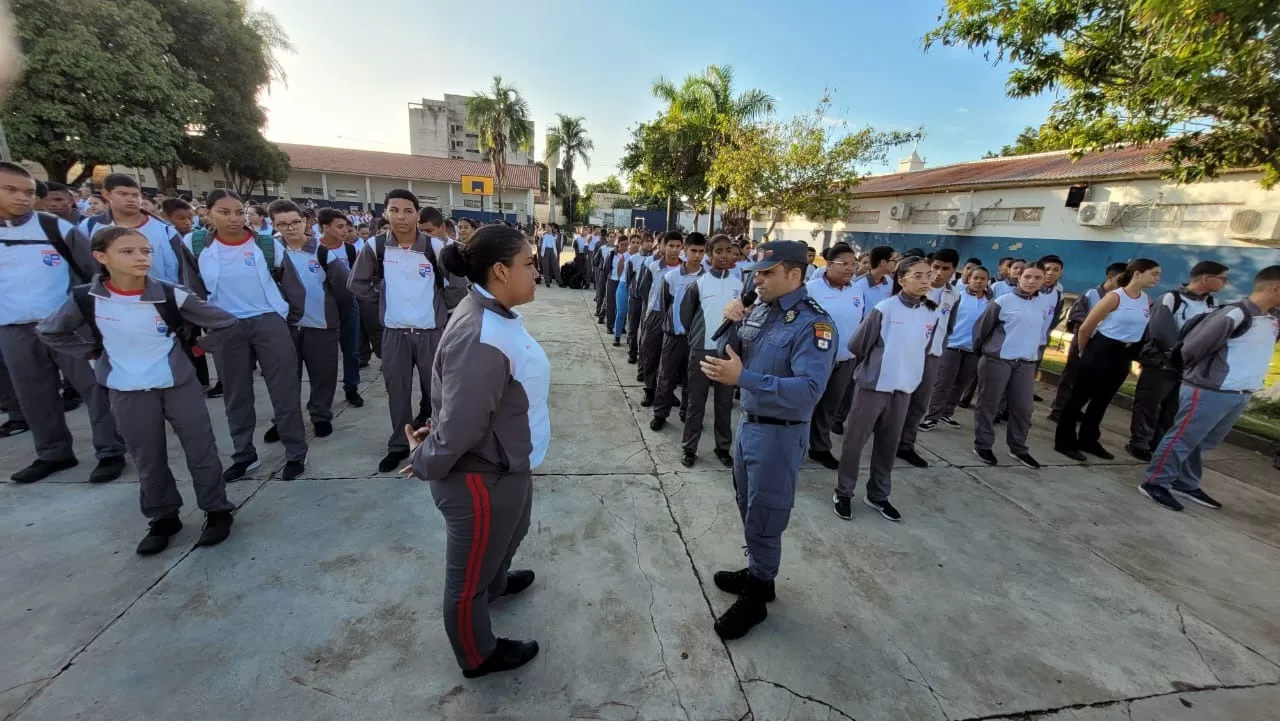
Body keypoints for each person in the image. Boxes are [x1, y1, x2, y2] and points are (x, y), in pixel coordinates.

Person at [37, 226, 239, 554]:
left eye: (145, 251)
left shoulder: (171, 293)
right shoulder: (85, 299)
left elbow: (225, 322)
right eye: (128, 251)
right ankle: (162, 517)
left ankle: (216, 510)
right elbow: (50, 332)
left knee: (201, 450)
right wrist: (91, 351)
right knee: (148, 456)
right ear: (101, 257)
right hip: (126, 389)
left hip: (177, 385)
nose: (140, 258)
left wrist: (200, 349)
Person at [406, 224, 549, 679]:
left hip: (509, 463)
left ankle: (498, 582)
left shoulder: (498, 312)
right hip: (481, 478)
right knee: (467, 581)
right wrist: (424, 459)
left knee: (513, 532)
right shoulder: (482, 333)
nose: (537, 271)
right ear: (501, 271)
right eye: (529, 263)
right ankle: (478, 654)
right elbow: (462, 424)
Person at [701, 240, 835, 640]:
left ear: (794, 274)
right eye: (758, 271)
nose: (757, 279)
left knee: (766, 513)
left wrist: (743, 379)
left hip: (780, 434)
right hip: (751, 424)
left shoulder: (814, 325)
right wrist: (733, 319)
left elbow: (809, 389)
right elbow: (731, 353)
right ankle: (761, 572)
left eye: (767, 272)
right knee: (748, 503)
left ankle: (758, 596)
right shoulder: (759, 308)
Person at [0, 162, 127, 483]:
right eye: (11, 190)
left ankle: (110, 450)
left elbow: (96, 274)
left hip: (69, 325)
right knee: (33, 393)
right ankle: (53, 452)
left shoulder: (55, 229)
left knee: (94, 387)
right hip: (13, 329)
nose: (22, 198)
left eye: (28, 192)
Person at [185, 189, 308, 482]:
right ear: (208, 213)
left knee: (285, 391)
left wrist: (287, 319)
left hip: (268, 321)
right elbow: (192, 288)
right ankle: (244, 454)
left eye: (239, 212)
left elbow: (293, 287)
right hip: (225, 324)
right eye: (224, 212)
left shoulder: (266, 245)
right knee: (236, 393)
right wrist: (206, 323)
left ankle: (295, 452)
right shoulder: (195, 244)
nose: (233, 218)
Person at [1139, 266, 1280, 512]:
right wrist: (1203, 377)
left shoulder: (1271, 318)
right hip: (1209, 390)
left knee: (1204, 443)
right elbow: (1192, 349)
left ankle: (1185, 483)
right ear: (1275, 288)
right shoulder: (1234, 314)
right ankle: (1156, 482)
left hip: (1239, 393)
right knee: (1182, 438)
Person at [350, 194, 465, 473]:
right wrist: (384, 301)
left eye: (408, 211)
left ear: (417, 215)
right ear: (386, 214)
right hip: (395, 333)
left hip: (430, 333)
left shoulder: (436, 248)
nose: (401, 216)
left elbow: (458, 284)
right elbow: (357, 283)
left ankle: (438, 444)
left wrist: (443, 310)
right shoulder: (375, 247)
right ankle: (399, 445)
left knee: (437, 393)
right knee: (397, 392)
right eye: (394, 210)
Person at [833, 257, 941, 523]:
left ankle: (878, 494)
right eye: (918, 275)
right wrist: (876, 367)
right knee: (854, 444)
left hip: (903, 390)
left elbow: (923, 351)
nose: (926, 280)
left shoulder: (932, 312)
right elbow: (858, 344)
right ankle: (843, 492)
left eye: (928, 275)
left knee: (888, 445)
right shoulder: (885, 309)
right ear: (901, 279)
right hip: (873, 387)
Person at [1055, 259, 1162, 461]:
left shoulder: (1146, 299)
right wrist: (1085, 353)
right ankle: (1064, 441)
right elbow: (1086, 327)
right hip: (1101, 349)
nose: (1157, 278)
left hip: (1124, 354)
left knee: (1102, 400)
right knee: (1079, 398)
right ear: (1137, 273)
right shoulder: (1115, 297)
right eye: (1154, 273)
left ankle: (1088, 439)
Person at [1126, 261, 1229, 461]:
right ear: (1206, 278)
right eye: (1222, 279)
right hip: (1161, 363)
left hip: (1188, 369)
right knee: (1149, 404)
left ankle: (1158, 444)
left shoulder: (1212, 305)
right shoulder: (1171, 298)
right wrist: (1179, 355)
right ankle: (1139, 442)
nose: (1225, 284)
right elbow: (1160, 332)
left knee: (1173, 409)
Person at [267, 204, 355, 439]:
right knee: (285, 377)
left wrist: (337, 318)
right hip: (284, 328)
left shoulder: (322, 253)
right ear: (273, 225)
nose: (290, 228)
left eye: (295, 222)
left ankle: (320, 415)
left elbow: (344, 291)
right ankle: (284, 419)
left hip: (320, 326)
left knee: (323, 375)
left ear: (305, 222)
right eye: (282, 224)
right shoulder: (271, 253)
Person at [971, 262, 1056, 468]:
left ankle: (1018, 448)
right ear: (1019, 277)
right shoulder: (1003, 301)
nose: (1031, 281)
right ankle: (983, 444)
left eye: (1037, 277)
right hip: (998, 360)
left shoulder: (1044, 303)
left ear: (1043, 279)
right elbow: (982, 330)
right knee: (989, 405)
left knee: (1024, 407)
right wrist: (987, 352)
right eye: (1027, 277)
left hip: (1026, 362)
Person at [895, 249, 961, 467]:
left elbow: (948, 326)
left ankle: (906, 444)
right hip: (908, 351)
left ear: (954, 270)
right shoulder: (916, 289)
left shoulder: (953, 295)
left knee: (920, 403)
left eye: (946, 269)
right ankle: (887, 438)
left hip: (932, 355)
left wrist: (939, 347)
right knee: (896, 399)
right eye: (936, 267)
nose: (939, 273)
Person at [679, 234, 740, 468]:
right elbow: (686, 316)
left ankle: (723, 447)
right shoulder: (699, 283)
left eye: (729, 251)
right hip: (701, 351)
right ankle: (689, 448)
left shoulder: (738, 284)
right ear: (709, 254)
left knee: (724, 404)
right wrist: (696, 339)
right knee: (696, 402)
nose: (725, 256)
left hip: (727, 354)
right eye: (719, 251)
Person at [804, 242, 863, 469]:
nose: (850, 269)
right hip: (816, 359)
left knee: (830, 405)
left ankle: (820, 447)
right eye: (844, 264)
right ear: (829, 265)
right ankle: (796, 446)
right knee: (808, 403)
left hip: (845, 359)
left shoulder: (855, 290)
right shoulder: (812, 289)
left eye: (853, 264)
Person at [83, 174, 195, 287]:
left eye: (135, 195)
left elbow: (186, 272)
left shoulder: (166, 230)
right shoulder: (91, 226)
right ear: (106, 194)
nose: (131, 199)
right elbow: (86, 266)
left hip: (161, 298)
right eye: (123, 194)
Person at [1048, 262, 1127, 422]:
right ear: (1110, 276)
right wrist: (1095, 323)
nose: (1123, 283)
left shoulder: (1123, 298)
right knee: (1071, 376)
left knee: (1089, 380)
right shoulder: (1091, 294)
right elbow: (1076, 314)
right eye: (1120, 278)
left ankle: (1074, 408)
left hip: (1104, 346)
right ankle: (1059, 409)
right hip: (1083, 341)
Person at [921, 265, 991, 429]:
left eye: (983, 279)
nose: (979, 282)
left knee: (961, 383)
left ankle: (947, 413)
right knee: (943, 383)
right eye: (976, 278)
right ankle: (932, 416)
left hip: (973, 349)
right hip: (952, 346)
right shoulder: (958, 295)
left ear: (988, 281)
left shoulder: (991, 302)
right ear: (969, 279)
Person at [651, 232, 706, 430]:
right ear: (685, 249)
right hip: (673, 337)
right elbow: (665, 306)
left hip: (696, 340)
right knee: (666, 377)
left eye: (701, 251)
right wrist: (672, 327)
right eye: (693, 251)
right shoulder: (671, 277)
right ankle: (660, 413)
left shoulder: (707, 278)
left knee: (691, 381)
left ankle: (686, 412)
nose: (697, 255)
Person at [639, 232, 685, 407]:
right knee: (651, 354)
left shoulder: (686, 270)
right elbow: (643, 290)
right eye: (670, 246)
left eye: (677, 246)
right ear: (662, 246)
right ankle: (650, 390)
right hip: (656, 314)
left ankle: (667, 391)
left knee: (672, 359)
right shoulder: (653, 266)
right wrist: (650, 313)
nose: (674, 250)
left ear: (682, 248)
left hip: (677, 318)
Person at [625, 234, 655, 364]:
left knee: (645, 328)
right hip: (635, 298)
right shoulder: (633, 259)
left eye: (651, 242)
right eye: (646, 242)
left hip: (648, 300)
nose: (649, 244)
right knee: (632, 326)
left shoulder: (655, 259)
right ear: (642, 243)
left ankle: (643, 356)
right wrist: (632, 292)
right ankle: (632, 352)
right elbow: (628, 279)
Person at [612, 235, 637, 346]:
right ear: (629, 244)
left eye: (638, 242)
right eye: (633, 242)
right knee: (621, 312)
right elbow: (619, 272)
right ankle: (617, 336)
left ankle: (630, 339)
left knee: (633, 315)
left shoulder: (644, 258)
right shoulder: (624, 257)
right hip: (623, 285)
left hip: (636, 288)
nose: (635, 245)